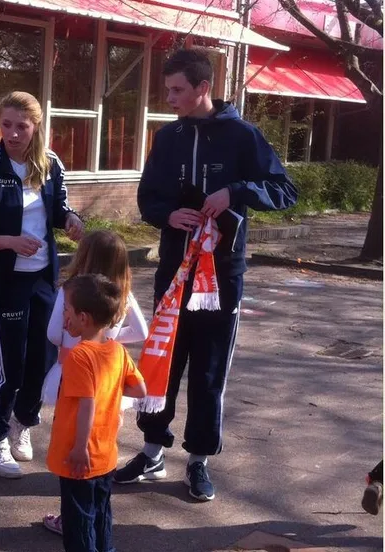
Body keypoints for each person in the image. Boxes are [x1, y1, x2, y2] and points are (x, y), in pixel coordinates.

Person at [116, 47, 298, 501]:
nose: (171, 98)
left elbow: (284, 189)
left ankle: (198, 462)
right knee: (162, 363)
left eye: (178, 90)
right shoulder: (167, 137)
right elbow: (148, 198)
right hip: (173, 274)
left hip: (221, 279)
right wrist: (167, 215)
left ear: (203, 88)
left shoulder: (242, 136)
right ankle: (152, 449)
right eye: (167, 91)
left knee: (209, 372)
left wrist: (235, 190)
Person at [0, 90, 84, 479]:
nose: (12, 134)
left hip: (43, 278)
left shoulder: (51, 164)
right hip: (4, 280)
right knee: (11, 363)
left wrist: (71, 220)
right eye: (6, 125)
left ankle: (22, 424)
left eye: (21, 126)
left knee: (43, 360)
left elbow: (59, 207)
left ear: (36, 127)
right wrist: (9, 242)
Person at [41, 229, 148, 536]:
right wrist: (112, 336)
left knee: (75, 450)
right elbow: (141, 333)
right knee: (101, 488)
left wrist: (69, 338)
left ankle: (72, 522)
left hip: (74, 377)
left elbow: (53, 334)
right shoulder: (121, 298)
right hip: (109, 387)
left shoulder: (71, 293)